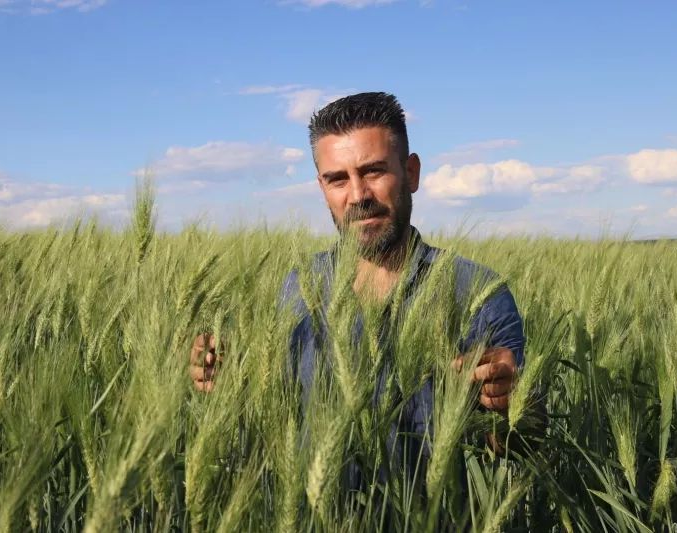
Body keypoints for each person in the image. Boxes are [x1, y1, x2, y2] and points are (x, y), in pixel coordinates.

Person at [189, 92, 526, 476]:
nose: (358, 196)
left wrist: (510, 404)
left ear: (411, 173)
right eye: (337, 180)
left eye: (373, 171)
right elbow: (273, 419)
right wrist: (229, 378)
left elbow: (519, 448)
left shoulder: (479, 294)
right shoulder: (295, 289)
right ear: (321, 188)